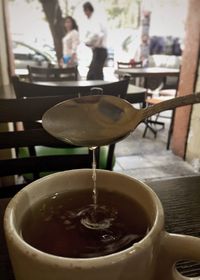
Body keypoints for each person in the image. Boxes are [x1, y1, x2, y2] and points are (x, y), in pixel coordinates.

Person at [83, 2, 107, 80]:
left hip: (100, 51)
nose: (85, 14)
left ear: (88, 10)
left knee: (93, 75)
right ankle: (99, 90)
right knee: (96, 73)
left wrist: (88, 42)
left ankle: (100, 91)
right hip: (98, 51)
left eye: (85, 11)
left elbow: (97, 34)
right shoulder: (95, 20)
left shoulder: (95, 20)